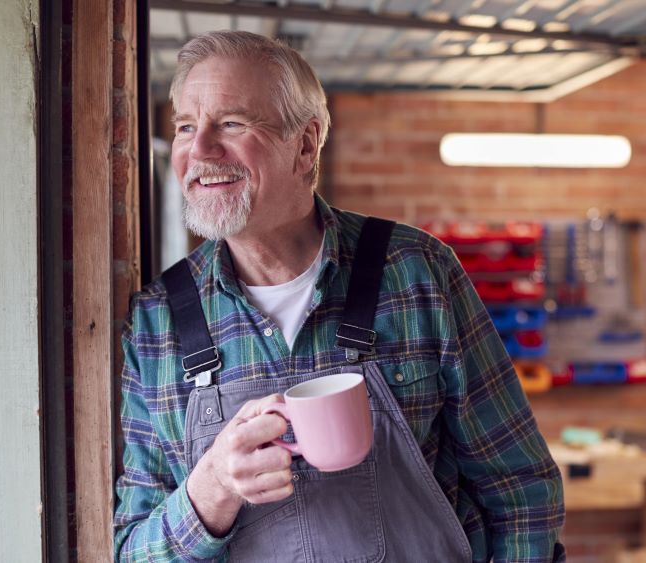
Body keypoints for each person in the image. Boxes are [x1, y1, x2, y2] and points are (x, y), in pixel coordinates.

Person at [113, 30, 565, 562]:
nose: (200, 150)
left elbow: (521, 491)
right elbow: (130, 551)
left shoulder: (417, 272)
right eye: (187, 126)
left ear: (306, 143)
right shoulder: (157, 322)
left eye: (231, 123)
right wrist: (211, 486)